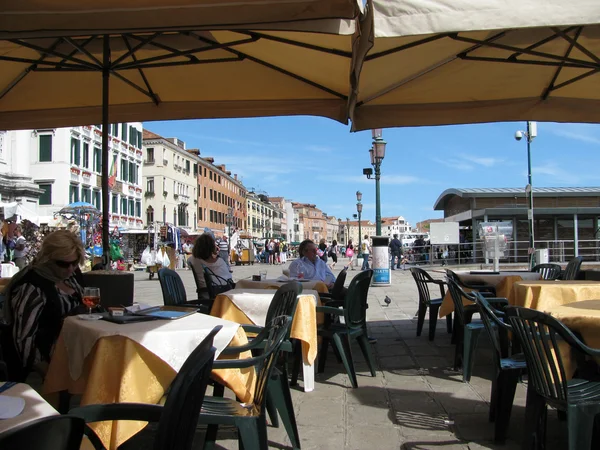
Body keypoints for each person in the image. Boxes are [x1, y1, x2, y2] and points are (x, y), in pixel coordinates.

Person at [2, 230, 85, 380]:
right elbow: (24, 339)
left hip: (75, 356)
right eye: (63, 264)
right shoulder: (32, 286)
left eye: (75, 262)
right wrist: (51, 374)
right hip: (44, 369)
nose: (70, 268)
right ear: (48, 258)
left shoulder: (71, 276)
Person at [187, 233, 233, 299]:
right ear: (212, 247)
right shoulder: (220, 261)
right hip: (222, 295)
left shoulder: (193, 260)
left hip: (205, 294)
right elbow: (229, 278)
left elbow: (189, 261)